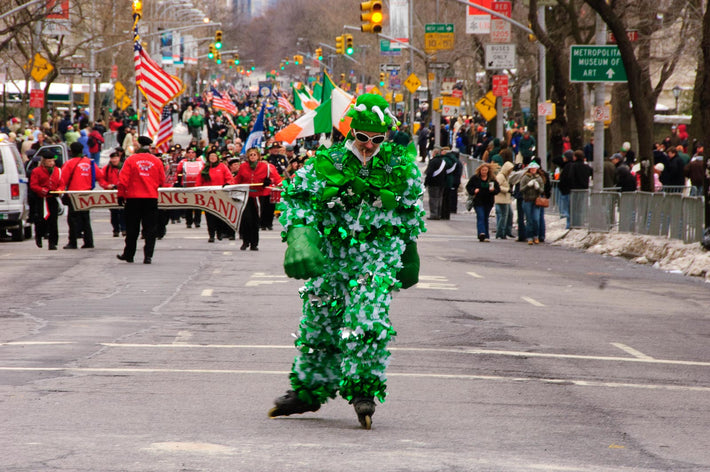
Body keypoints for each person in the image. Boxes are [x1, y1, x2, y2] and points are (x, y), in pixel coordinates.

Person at [268, 93, 425, 429]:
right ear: (352, 131)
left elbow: (409, 213)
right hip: (332, 256)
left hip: (375, 257)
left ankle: (364, 391)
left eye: (377, 139)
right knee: (320, 322)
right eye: (363, 137)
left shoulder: (401, 168)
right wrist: (300, 235)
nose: (368, 145)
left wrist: (411, 253)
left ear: (385, 136)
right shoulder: (327, 162)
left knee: (367, 320)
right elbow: (297, 200)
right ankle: (309, 391)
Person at [116, 136, 166, 264]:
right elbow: (162, 180)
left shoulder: (131, 160)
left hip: (133, 198)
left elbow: (123, 180)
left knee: (132, 228)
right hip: (150, 198)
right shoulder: (156, 161)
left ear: (138, 145)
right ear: (149, 147)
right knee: (150, 228)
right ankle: (148, 255)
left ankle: (129, 254)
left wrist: (121, 194)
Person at [234, 147, 282, 251]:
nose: (252, 157)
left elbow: (276, 178)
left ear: (258, 156)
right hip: (246, 196)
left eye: (254, 155)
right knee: (246, 219)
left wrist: (269, 181)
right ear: (248, 156)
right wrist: (229, 185)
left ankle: (254, 244)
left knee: (255, 220)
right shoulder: (243, 166)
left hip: (258, 196)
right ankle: (245, 241)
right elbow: (237, 179)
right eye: (250, 155)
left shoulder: (265, 166)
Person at [61, 142, 100, 249]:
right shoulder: (90, 162)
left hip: (74, 195)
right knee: (85, 219)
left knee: (73, 220)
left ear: (71, 151)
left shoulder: (69, 163)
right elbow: (99, 175)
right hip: (87, 195)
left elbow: (63, 180)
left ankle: (73, 242)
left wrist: (59, 190)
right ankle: (89, 241)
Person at [196, 150, 234, 242]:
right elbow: (199, 181)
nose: (212, 158)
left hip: (220, 195)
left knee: (220, 216)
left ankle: (219, 233)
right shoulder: (205, 168)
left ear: (217, 158)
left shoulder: (222, 167)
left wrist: (228, 184)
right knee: (209, 217)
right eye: (210, 156)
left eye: (214, 156)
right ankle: (211, 235)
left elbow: (229, 178)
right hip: (208, 196)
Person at [29, 149, 62, 250]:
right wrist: (43, 190)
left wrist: (59, 190)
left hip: (52, 198)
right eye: (49, 161)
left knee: (53, 221)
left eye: (53, 161)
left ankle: (53, 242)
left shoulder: (58, 170)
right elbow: (33, 185)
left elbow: (61, 183)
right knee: (41, 220)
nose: (52, 163)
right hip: (41, 199)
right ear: (44, 161)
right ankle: (39, 235)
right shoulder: (37, 171)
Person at [466, 162, 499, 241]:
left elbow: (498, 190)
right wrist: (474, 190)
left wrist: (493, 190)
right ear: (480, 170)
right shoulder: (475, 178)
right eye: (482, 170)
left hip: (488, 201)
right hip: (478, 201)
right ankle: (481, 233)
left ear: (488, 171)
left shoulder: (492, 179)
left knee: (485, 218)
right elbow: (468, 187)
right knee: (480, 216)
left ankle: (486, 236)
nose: (484, 172)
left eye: (485, 170)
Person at [176, 148, 204, 228]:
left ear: (195, 154)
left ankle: (197, 221)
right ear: (187, 154)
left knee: (198, 205)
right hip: (186, 186)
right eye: (189, 152)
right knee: (188, 205)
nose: (191, 154)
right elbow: (178, 171)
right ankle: (189, 222)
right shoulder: (183, 162)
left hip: (197, 186)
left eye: (193, 152)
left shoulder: (200, 162)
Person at [99, 152, 126, 237]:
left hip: (122, 192)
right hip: (111, 193)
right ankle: (116, 229)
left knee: (123, 212)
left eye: (116, 158)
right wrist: (107, 185)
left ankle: (124, 229)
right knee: (113, 213)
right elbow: (101, 179)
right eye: (112, 158)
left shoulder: (124, 167)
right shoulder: (106, 169)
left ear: (119, 158)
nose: (114, 160)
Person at [519, 161, 545, 245]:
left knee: (536, 219)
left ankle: (535, 236)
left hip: (536, 201)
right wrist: (528, 186)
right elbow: (521, 189)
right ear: (529, 169)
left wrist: (538, 188)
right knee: (529, 219)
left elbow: (542, 191)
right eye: (532, 168)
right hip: (527, 200)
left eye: (535, 168)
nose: (533, 170)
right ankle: (529, 237)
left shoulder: (539, 178)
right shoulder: (525, 177)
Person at [423, 146, 447, 220]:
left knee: (433, 199)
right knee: (439, 199)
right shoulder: (443, 161)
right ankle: (438, 214)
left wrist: (425, 183)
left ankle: (433, 214)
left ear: (434, 154)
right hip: (442, 183)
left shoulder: (433, 161)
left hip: (433, 183)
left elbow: (429, 173)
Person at [494, 161, 515, 239]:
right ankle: (500, 233)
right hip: (501, 198)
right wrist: (507, 190)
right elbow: (497, 186)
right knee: (504, 216)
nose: (510, 172)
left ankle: (507, 231)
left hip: (506, 198)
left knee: (510, 215)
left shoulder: (506, 176)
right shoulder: (500, 176)